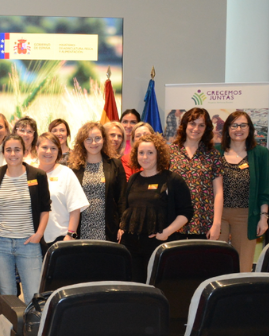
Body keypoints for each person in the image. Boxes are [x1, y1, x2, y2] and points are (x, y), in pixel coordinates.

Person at [118, 133, 193, 282]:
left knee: (156, 286)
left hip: (159, 243)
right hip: (132, 245)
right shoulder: (133, 179)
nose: (145, 157)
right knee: (135, 286)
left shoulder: (172, 179)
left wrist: (166, 232)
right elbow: (128, 208)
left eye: (150, 153)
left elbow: (186, 212)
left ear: (159, 154)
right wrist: (122, 227)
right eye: (141, 153)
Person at [0, 134, 50, 305]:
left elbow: (45, 209)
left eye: (17, 149)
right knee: (8, 297)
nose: (13, 154)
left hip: (28, 244)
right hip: (0, 244)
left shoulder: (37, 175)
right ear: (3, 152)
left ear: (24, 151)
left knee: (34, 297)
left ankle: (33, 324)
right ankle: (11, 325)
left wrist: (39, 234)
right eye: (8, 150)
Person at [216, 111, 269, 272]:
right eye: (234, 125)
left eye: (243, 125)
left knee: (243, 265)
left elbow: (265, 189)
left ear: (250, 128)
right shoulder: (215, 151)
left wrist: (264, 217)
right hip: (218, 216)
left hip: (246, 216)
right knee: (216, 262)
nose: (238, 129)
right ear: (227, 129)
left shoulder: (260, 154)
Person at [169, 108, 224, 241]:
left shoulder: (213, 155)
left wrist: (217, 224)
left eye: (201, 125)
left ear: (206, 128)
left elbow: (218, 192)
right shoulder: (170, 152)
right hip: (174, 222)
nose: (196, 128)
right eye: (192, 123)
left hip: (203, 223)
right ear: (185, 125)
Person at [68, 122, 126, 242]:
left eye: (97, 138)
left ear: (104, 139)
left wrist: (122, 225)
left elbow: (122, 198)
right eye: (88, 139)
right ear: (82, 142)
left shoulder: (115, 164)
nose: (93, 143)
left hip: (108, 227)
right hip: (81, 227)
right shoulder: (75, 168)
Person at [36, 132, 89, 253]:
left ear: (58, 152)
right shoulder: (30, 173)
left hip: (60, 239)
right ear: (36, 148)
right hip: (33, 240)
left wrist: (70, 236)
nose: (48, 151)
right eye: (44, 147)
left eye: (53, 148)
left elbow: (75, 208)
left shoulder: (66, 173)